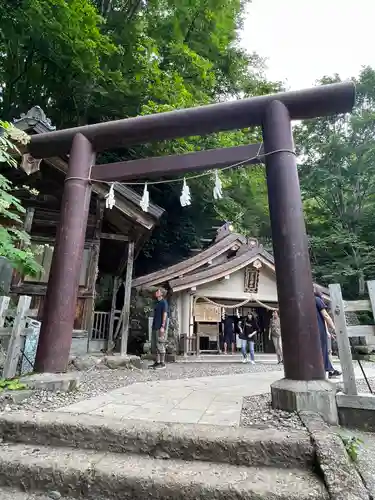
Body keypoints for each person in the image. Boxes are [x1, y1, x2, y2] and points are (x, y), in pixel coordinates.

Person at [314, 286, 341, 378]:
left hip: (312, 330)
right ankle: (328, 370)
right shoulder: (317, 300)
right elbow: (325, 315)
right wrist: (334, 328)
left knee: (320, 350)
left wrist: (327, 332)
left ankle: (329, 369)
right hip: (319, 329)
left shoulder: (306, 301)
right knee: (324, 350)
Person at [151, 288, 169, 370]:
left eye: (158, 291)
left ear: (161, 294)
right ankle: (157, 362)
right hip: (155, 326)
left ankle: (162, 363)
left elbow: (165, 314)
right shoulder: (157, 303)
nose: (156, 292)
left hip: (160, 327)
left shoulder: (163, 302)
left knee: (160, 344)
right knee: (155, 345)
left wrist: (163, 326)